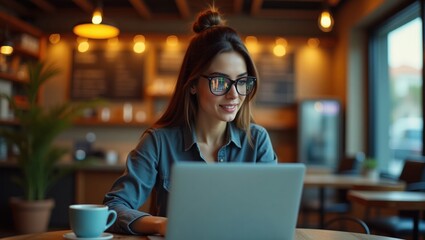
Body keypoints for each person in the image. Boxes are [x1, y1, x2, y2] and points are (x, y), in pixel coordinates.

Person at [103, 7, 277, 236]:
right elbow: (113, 208)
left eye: (242, 81)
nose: (235, 94)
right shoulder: (158, 143)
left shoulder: (257, 141)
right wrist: (165, 224)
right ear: (193, 84)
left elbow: (273, 213)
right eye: (220, 82)